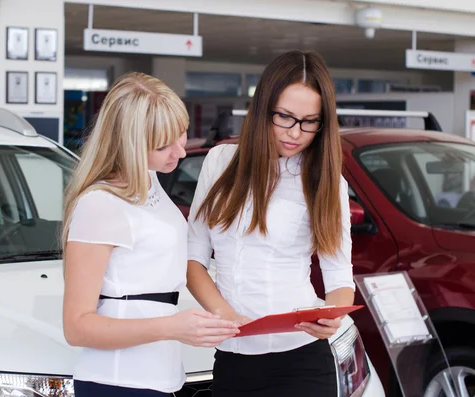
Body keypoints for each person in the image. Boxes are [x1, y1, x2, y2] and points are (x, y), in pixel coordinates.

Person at [186, 50, 355, 397]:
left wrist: (330, 316)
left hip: (302, 362)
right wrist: (229, 317)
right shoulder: (220, 162)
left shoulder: (326, 181)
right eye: (286, 117)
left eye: (311, 121)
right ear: (263, 108)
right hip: (232, 359)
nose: (297, 133)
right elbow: (193, 260)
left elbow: (339, 276)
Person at [61, 72, 239, 397]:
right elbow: (77, 327)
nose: (180, 152)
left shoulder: (150, 180)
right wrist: (172, 327)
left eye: (182, 136)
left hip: (162, 376)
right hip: (118, 382)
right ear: (129, 144)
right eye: (163, 146)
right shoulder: (100, 204)